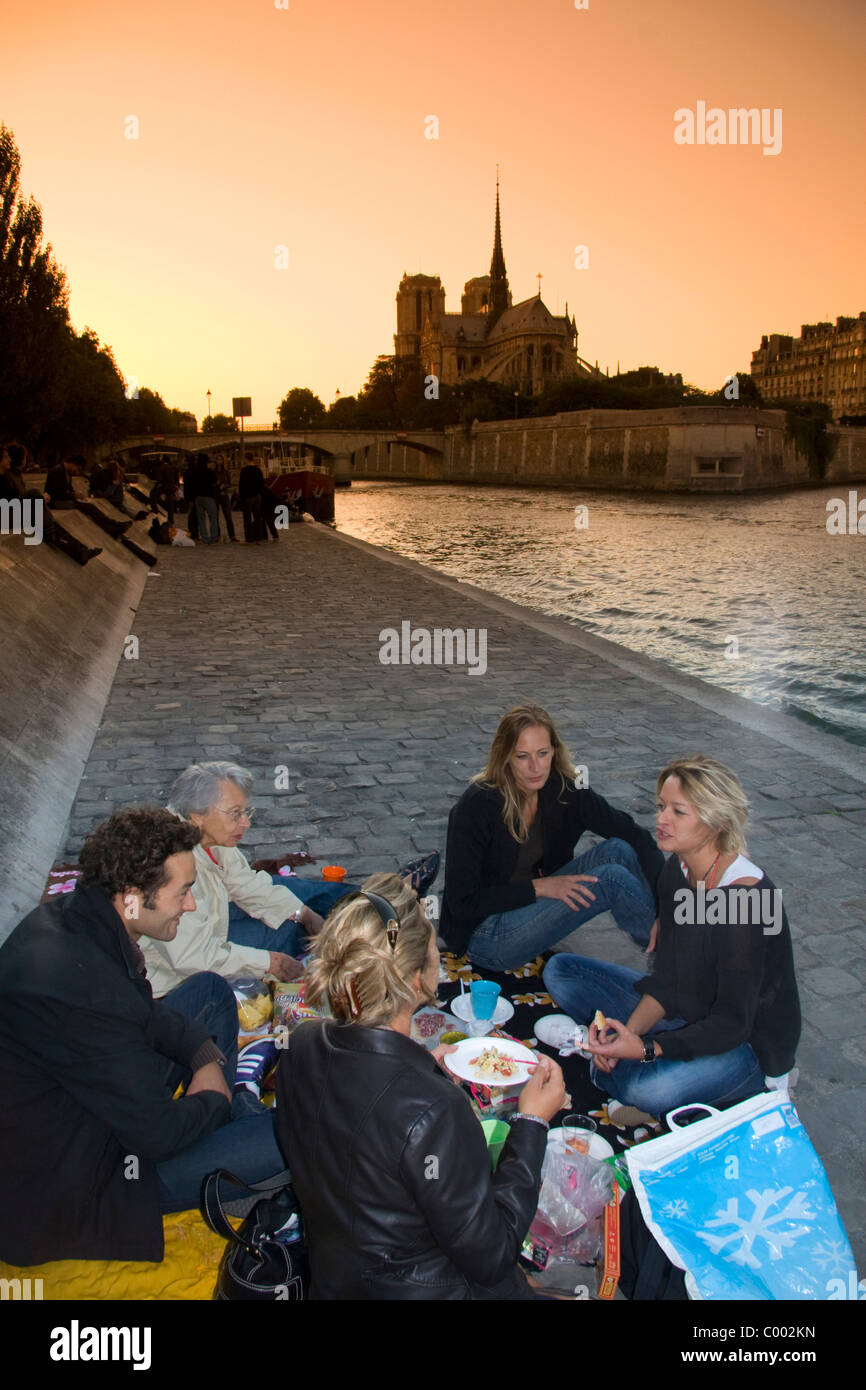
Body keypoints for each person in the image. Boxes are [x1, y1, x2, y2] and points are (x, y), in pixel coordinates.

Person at [0, 807, 286, 1266]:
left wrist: (203, 1054)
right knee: (291, 1135)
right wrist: (210, 1097)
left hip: (92, 1103)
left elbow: (143, 1012)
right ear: (133, 896)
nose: (191, 905)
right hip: (88, 1178)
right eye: (184, 892)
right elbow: (157, 1135)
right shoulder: (81, 990)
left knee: (211, 991)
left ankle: (233, 1108)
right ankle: (235, 1109)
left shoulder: (81, 919)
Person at [276, 874, 567, 1299]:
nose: (440, 959)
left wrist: (416, 1069)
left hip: (337, 1278)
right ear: (414, 979)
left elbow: (359, 1123)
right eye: (434, 949)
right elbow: (491, 1256)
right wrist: (530, 1123)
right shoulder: (433, 1110)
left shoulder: (302, 1044)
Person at [543, 754, 801, 1116]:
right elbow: (668, 981)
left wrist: (648, 1049)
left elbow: (732, 1022)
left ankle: (741, 1088)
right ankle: (636, 1060)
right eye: (662, 806)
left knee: (645, 1088)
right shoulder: (677, 872)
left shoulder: (747, 900)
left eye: (678, 812)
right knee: (562, 971)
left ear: (715, 822)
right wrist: (627, 1036)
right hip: (689, 1009)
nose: (661, 819)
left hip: (745, 1044)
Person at [141, 760, 441, 998]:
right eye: (235, 814)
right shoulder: (167, 862)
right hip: (177, 974)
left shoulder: (211, 837)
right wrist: (270, 962)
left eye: (246, 812)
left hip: (212, 927)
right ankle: (359, 926)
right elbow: (195, 956)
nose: (245, 822)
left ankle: (374, 901)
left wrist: (307, 915)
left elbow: (247, 885)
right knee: (286, 933)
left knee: (293, 892)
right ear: (197, 816)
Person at [440, 704, 664, 971]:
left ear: (554, 751)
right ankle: (674, 959)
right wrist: (541, 888)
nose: (535, 767)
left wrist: (665, 909)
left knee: (619, 850)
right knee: (611, 880)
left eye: (542, 753)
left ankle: (668, 940)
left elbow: (636, 837)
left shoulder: (564, 790)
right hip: (486, 935)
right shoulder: (476, 806)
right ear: (505, 758)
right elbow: (461, 902)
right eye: (522, 756)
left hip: (534, 910)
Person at [0, 445, 101, 566]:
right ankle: (76, 548)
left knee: (49, 521)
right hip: (6, 518)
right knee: (36, 497)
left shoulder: (9, 476)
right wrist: (38, 498)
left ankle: (81, 550)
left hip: (15, 513)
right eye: (6, 458)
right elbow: (9, 503)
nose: (9, 460)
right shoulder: (4, 479)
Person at [192, 451, 220, 544]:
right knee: (213, 517)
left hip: (198, 497)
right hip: (208, 496)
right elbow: (215, 481)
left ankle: (204, 537)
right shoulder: (209, 471)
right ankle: (214, 536)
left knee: (201, 519)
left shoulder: (195, 471)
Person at [238, 451, 266, 542]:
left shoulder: (244, 471)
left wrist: (241, 497)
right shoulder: (258, 470)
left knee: (247, 519)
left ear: (246, 459)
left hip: (247, 497)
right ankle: (259, 536)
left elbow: (241, 485)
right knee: (257, 517)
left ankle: (249, 538)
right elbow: (262, 484)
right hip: (257, 496)